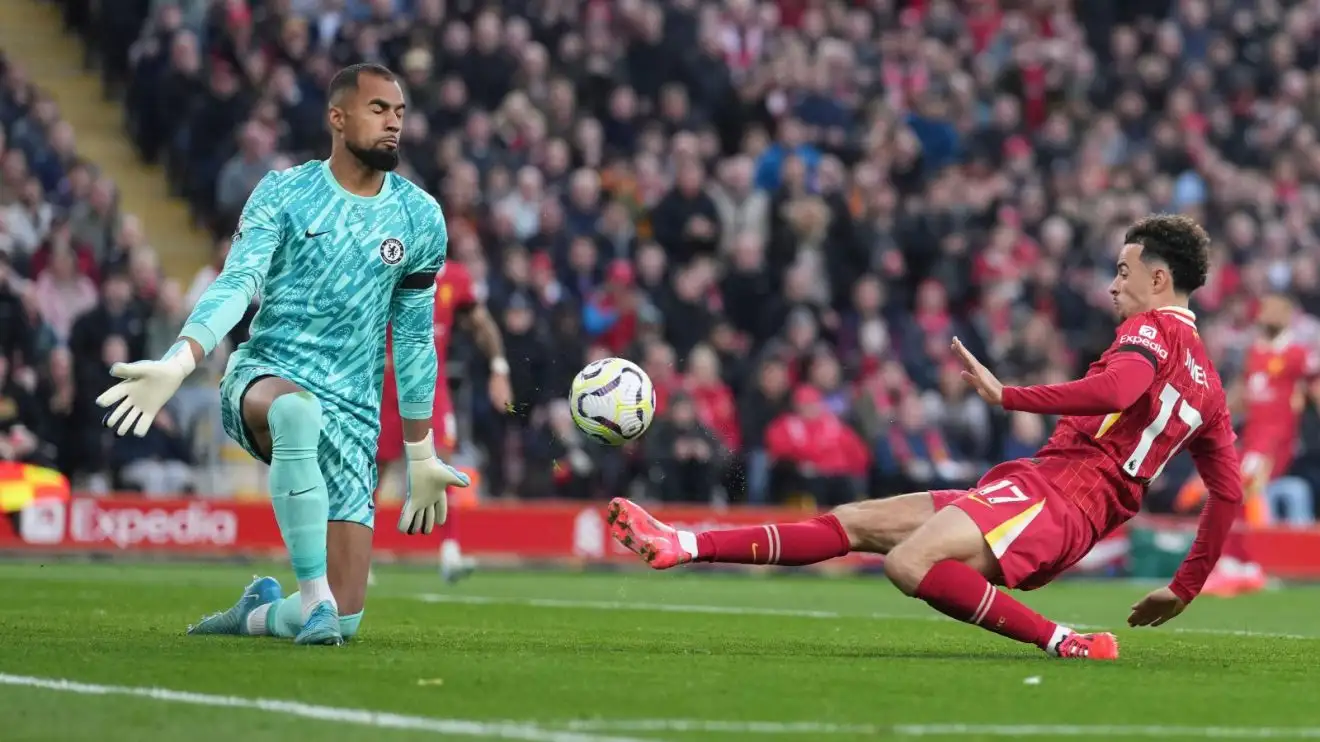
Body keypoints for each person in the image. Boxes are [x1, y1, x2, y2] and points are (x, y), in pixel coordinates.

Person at [608, 215, 1243, 661]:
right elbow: (1227, 494)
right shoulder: (1209, 385)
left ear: (1159, 281)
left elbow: (1116, 391)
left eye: (1122, 270)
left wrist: (1009, 394)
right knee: (857, 522)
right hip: (1050, 499)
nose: (1112, 284)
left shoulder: (1152, 332)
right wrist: (1184, 588)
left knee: (908, 563)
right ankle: (682, 543)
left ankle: (1064, 641)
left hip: (1053, 498)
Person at [95, 63, 469, 646]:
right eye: (378, 110)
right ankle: (313, 598)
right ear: (337, 117)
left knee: (350, 617)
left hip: (355, 413)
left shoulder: (420, 217)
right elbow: (237, 282)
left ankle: (260, 612)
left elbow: (416, 339)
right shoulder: (284, 192)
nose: (393, 124)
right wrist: (180, 360)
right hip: (267, 379)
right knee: (297, 413)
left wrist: (420, 455)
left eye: (399, 113)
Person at [378, 252, 513, 582]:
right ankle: (356, 556)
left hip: (430, 388)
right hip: (383, 384)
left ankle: (450, 552)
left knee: (443, 462)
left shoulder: (453, 276)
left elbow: (480, 323)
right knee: (372, 470)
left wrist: (499, 368)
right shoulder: (384, 263)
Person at [1179, 292, 1320, 596]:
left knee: (1237, 489)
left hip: (1274, 443)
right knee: (1229, 492)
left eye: (1273, 309)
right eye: (1264, 308)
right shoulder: (1254, 352)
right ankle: (1244, 565)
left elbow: (1314, 388)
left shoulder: (1298, 354)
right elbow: (1243, 393)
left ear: (1286, 315)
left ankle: (1233, 562)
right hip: (1252, 439)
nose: (1266, 314)